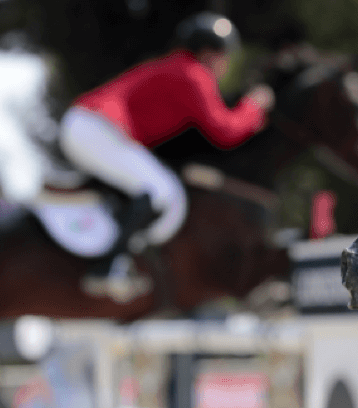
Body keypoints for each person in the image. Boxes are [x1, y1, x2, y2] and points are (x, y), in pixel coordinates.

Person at [58, 12, 275, 273]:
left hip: (89, 125)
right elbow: (224, 131)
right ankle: (108, 268)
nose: (226, 64)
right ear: (209, 53)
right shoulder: (194, 74)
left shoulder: (178, 66)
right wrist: (254, 107)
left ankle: (114, 258)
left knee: (155, 187)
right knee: (162, 192)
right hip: (95, 129)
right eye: (225, 55)